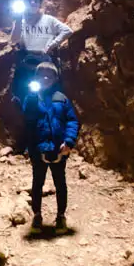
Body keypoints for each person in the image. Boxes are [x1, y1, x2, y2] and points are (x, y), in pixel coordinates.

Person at [23, 62, 80, 234]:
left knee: (60, 183)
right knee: (37, 183)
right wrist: (33, 97)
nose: (45, 77)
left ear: (55, 78)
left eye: (49, 75)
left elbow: (72, 120)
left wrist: (69, 141)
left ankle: (61, 216)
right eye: (42, 74)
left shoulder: (61, 99)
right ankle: (37, 215)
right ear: (36, 77)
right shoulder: (31, 98)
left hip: (58, 149)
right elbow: (28, 117)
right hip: (38, 149)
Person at [10, 0, 73, 108]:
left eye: (36, 1)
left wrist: (51, 45)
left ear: (40, 3)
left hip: (44, 63)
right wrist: (18, 21)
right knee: (24, 94)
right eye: (30, 1)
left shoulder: (48, 20)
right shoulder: (21, 22)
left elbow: (67, 31)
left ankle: (53, 118)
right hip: (27, 61)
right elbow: (13, 40)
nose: (33, 3)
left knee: (49, 96)